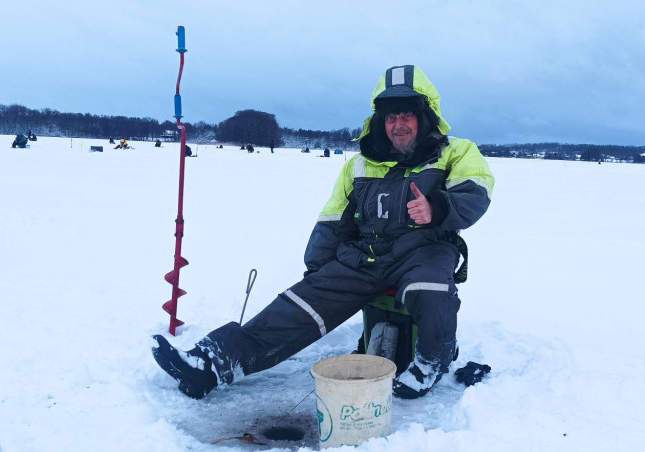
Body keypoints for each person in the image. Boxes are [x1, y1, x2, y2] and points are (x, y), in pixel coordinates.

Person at [152, 64, 494, 400]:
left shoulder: (457, 151)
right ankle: (210, 364)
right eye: (390, 117)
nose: (398, 125)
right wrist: (319, 275)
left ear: (425, 116)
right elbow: (333, 219)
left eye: (406, 115)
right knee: (300, 304)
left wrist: (437, 207)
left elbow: (475, 193)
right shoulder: (358, 165)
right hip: (365, 257)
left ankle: (430, 365)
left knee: (430, 288)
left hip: (425, 249)